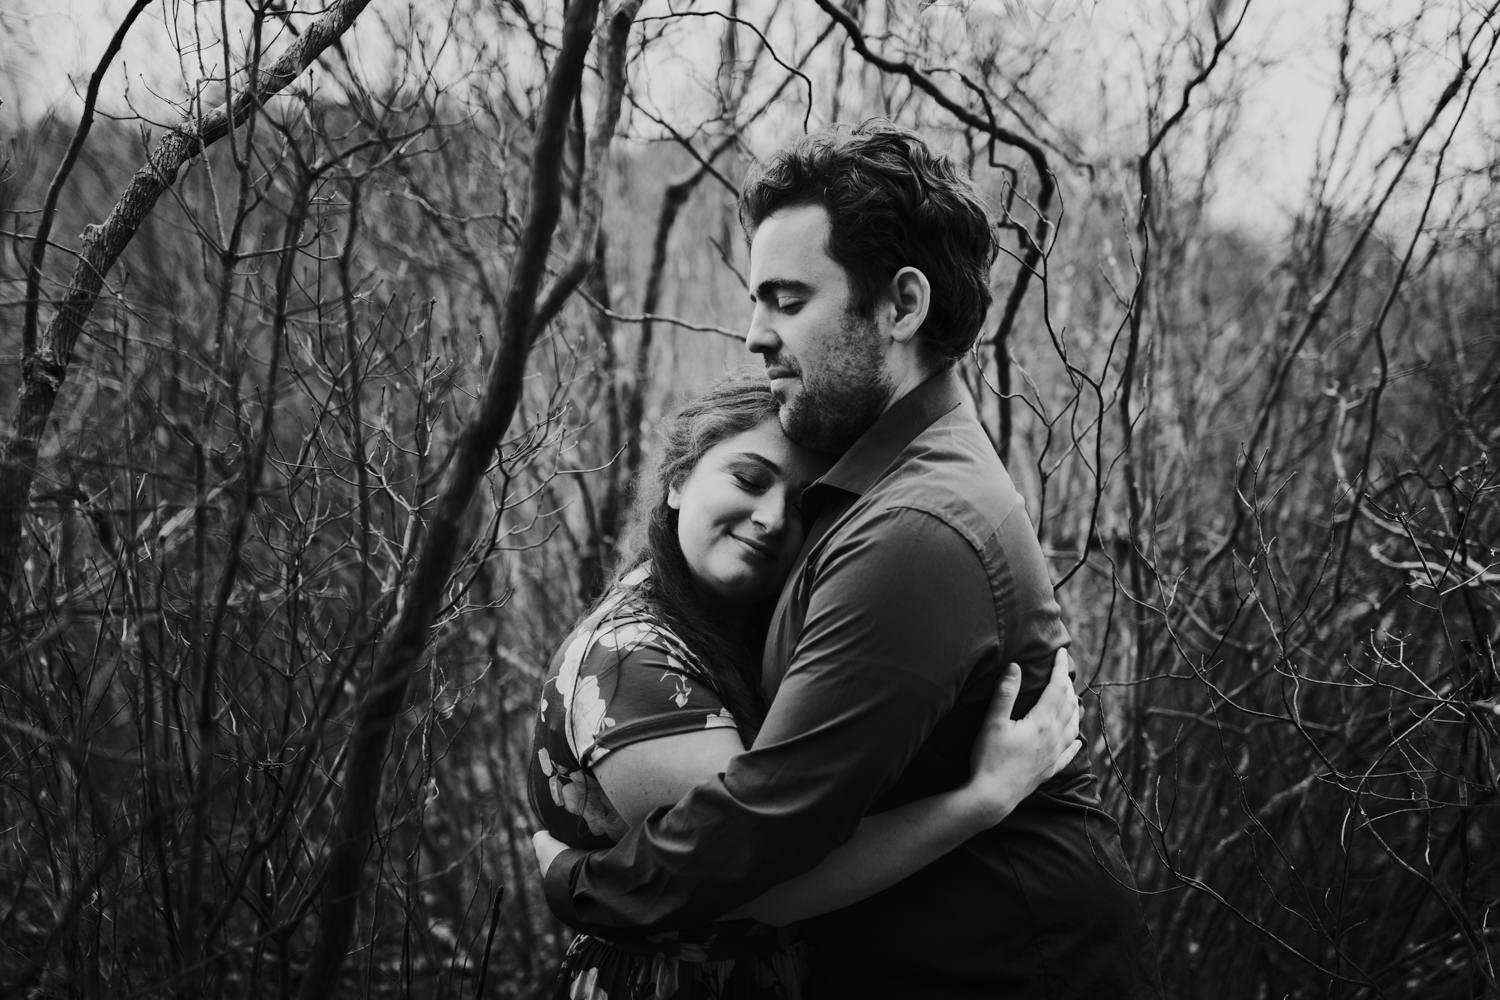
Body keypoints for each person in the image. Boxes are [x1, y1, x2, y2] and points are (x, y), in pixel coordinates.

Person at [537, 121, 1159, 998]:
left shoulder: (916, 526)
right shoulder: (866, 484)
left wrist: (576, 880)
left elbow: (759, 825)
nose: (755, 334)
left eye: (788, 301)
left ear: (901, 307)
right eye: (756, 301)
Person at [530, 371, 1084, 998]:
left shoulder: (727, 626)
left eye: (801, 504)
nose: (771, 518)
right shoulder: (632, 662)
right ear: (679, 481)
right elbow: (769, 881)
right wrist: (981, 800)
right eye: (748, 478)